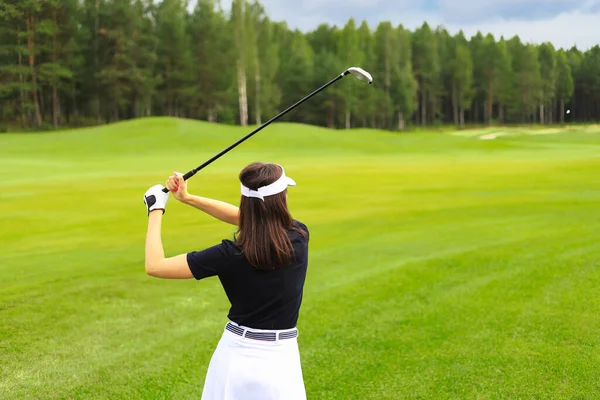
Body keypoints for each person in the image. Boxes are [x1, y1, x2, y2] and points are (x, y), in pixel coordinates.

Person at [142, 162, 310, 400]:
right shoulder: (298, 235)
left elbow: (155, 265)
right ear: (281, 198)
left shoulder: (228, 255)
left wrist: (155, 209)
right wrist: (187, 198)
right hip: (282, 359)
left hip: (235, 358)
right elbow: (253, 220)